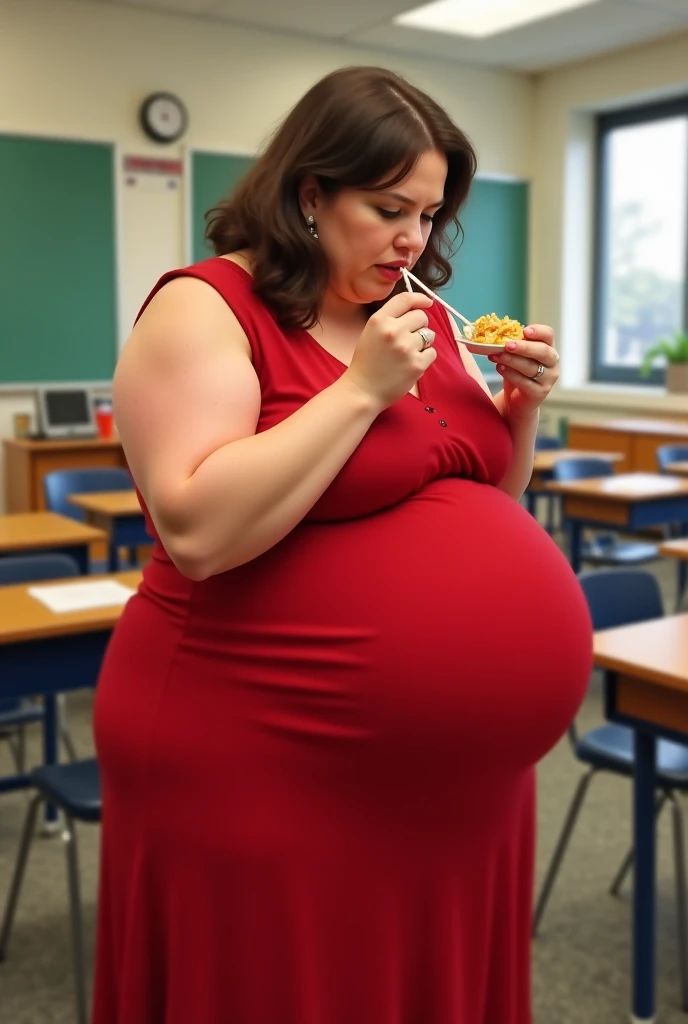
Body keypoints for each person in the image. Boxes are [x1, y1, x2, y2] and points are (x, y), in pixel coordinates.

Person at [92, 66, 592, 1024]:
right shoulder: (205, 307)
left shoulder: (409, 312)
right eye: (388, 207)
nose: (413, 240)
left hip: (453, 786)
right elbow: (197, 530)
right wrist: (359, 390)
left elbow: (481, 496)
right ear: (310, 193)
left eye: (431, 213)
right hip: (261, 755)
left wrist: (519, 412)